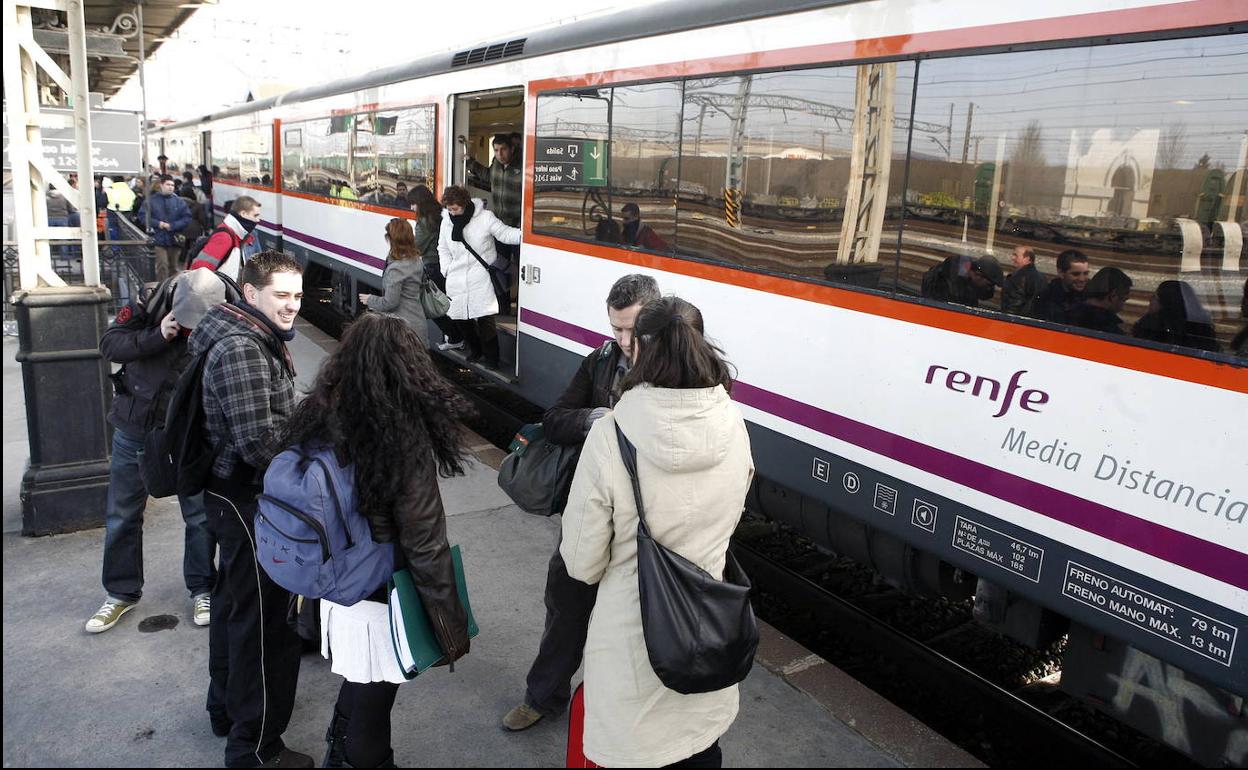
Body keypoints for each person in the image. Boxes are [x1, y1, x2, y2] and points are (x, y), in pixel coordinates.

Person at [560, 295, 752, 768]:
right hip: (708, 633)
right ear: (699, 346)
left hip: (633, 648)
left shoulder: (613, 434)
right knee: (699, 748)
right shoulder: (734, 422)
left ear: (640, 351)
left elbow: (582, 563)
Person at [279, 313, 472, 769]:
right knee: (376, 692)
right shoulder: (400, 435)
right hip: (379, 588)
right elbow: (425, 542)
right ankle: (361, 759)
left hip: (335, 580)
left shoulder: (323, 411)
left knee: (359, 676)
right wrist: (450, 624)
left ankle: (340, 750)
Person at [502, 273, 661, 732]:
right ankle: (543, 696)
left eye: (633, 329)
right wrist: (597, 419)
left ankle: (628, 719)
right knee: (565, 608)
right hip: (590, 513)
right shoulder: (602, 361)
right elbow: (554, 419)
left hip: (645, 527)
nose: (625, 340)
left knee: (638, 627)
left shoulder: (676, 370)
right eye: (616, 328)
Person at [189, 251, 312, 769]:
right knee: (267, 626)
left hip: (229, 495)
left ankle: (226, 709)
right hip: (245, 497)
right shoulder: (243, 347)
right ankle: (257, 748)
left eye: (298, 296)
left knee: (234, 609)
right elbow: (257, 445)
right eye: (281, 295)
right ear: (251, 292)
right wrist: (313, 448)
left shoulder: (237, 330)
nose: (292, 307)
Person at [85, 268, 235, 635]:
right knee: (122, 513)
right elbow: (110, 345)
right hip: (136, 426)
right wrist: (157, 335)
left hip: (187, 433)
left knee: (198, 516)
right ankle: (120, 592)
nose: (189, 333)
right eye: (185, 325)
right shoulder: (149, 301)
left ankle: (202, 587)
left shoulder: (231, 312)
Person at [437, 185, 521, 369]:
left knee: (485, 319)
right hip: (456, 277)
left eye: (455, 209)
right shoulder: (446, 222)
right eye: (449, 209)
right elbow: (442, 248)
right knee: (459, 317)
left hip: (481, 276)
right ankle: (475, 350)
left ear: (465, 204)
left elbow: (504, 233)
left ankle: (492, 359)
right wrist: (447, 269)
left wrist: (527, 235)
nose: (452, 213)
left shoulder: (485, 218)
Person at [464, 133, 523, 308]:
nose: (499, 154)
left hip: (519, 228)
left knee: (521, 269)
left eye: (503, 149)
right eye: (496, 150)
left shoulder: (523, 165)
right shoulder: (496, 164)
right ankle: (503, 306)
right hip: (500, 227)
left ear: (512, 149)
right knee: (499, 267)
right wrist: (470, 162)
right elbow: (487, 175)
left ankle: (522, 308)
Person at [358, 218, 430, 344]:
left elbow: (390, 303)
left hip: (401, 332)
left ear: (392, 239)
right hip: (417, 325)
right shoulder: (416, 260)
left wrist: (370, 299)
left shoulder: (396, 269)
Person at [410, 186, 464, 351]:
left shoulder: (424, 222)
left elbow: (416, 246)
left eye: (413, 204)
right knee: (449, 303)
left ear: (420, 203)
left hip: (432, 266)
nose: (411, 208)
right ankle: (461, 336)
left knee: (433, 306)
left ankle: (455, 337)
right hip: (447, 265)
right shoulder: (441, 215)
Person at [1132, 279, 1219, 352]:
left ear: (1165, 302)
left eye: (1155, 297)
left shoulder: (1153, 326)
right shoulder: (1202, 327)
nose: (1150, 299)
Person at [190, 195, 262, 280]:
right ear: (243, 214)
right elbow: (200, 271)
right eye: (255, 215)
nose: (258, 220)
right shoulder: (224, 237)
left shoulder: (241, 234)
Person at [139, 174, 193, 282]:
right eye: (168, 184)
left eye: (172, 185)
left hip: (174, 238)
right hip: (158, 238)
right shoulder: (151, 201)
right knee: (162, 265)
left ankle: (172, 288)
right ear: (161, 185)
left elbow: (187, 218)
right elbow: (143, 217)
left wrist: (173, 226)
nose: (171, 187)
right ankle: (162, 288)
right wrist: (158, 223)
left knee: (173, 266)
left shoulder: (179, 201)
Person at [920, 253, 1003, 308]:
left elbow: (985, 295)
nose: (989, 288)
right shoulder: (949, 283)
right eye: (989, 285)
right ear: (978, 275)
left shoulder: (968, 278)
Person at [1068, 266, 1133, 335]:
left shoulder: (1068, 313)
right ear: (1113, 295)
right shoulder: (1109, 330)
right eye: (1123, 300)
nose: (1122, 308)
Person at [1035, 249, 1090, 324]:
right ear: (1061, 273)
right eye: (1076, 274)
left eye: (1086, 273)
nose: (1082, 279)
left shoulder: (1093, 297)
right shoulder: (1046, 296)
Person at [1000, 245, 1045, 317]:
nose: (1012, 258)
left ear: (1027, 259)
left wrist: (1006, 319)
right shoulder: (1041, 277)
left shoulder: (1019, 277)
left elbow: (1014, 304)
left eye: (1016, 255)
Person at [104, 176, 137, 241]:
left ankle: (115, 248)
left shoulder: (110, 189)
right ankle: (126, 246)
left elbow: (103, 201)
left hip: (112, 210)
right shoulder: (129, 190)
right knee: (126, 230)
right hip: (127, 211)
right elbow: (134, 199)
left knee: (113, 229)